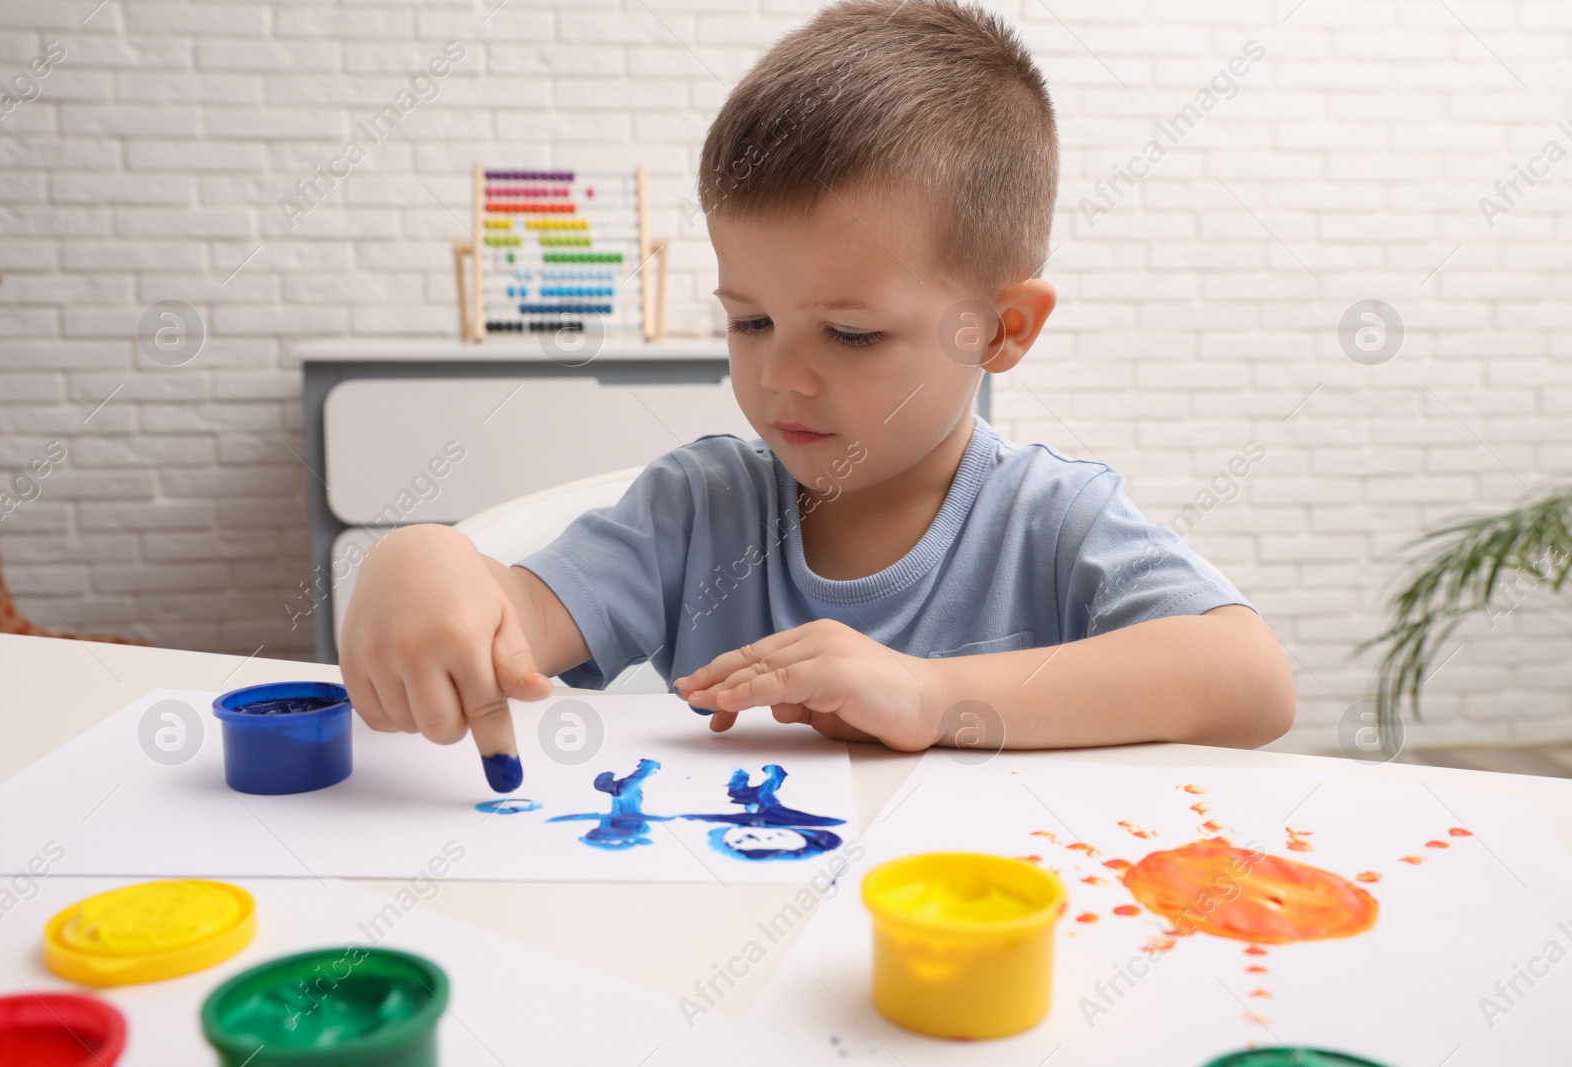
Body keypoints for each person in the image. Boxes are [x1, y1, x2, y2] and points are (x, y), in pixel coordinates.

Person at [340, 0, 1296, 786]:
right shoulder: (697, 513)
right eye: (748, 320)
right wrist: (424, 560)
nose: (778, 376)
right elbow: (514, 616)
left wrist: (928, 695)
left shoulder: (1050, 521)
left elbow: (1251, 681)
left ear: (1002, 330)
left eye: (851, 334)